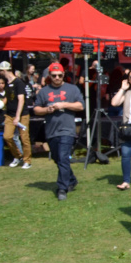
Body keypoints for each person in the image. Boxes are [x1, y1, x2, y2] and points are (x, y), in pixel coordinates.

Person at [33, 63, 85, 201]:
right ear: (49, 76)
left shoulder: (72, 89)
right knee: (58, 159)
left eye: (59, 75)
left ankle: (62, 188)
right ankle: (72, 179)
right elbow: (36, 109)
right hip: (51, 131)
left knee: (63, 157)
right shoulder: (44, 91)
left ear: (63, 75)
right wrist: (47, 110)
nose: (57, 78)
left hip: (67, 130)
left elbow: (81, 105)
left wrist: (64, 104)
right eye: (54, 75)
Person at [0, 61, 32, 169]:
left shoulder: (18, 83)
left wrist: (17, 117)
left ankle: (27, 160)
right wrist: (2, 102)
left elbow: (21, 100)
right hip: (9, 115)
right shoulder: (7, 83)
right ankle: (18, 156)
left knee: (24, 138)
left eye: (0, 71)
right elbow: (8, 97)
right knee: (7, 136)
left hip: (22, 115)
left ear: (4, 70)